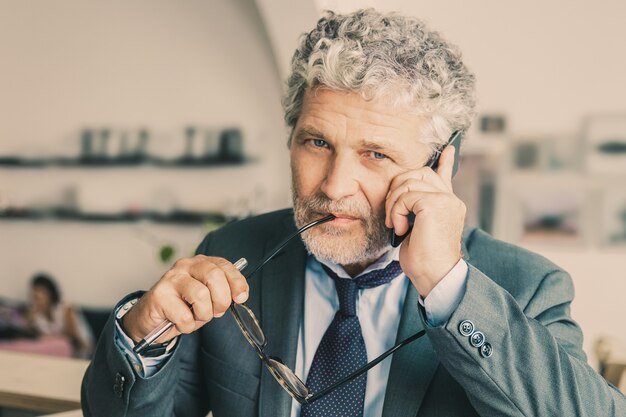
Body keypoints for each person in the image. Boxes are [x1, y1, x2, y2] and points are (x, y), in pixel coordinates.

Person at [81, 9, 626, 417]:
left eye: (376, 154)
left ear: (440, 166)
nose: (335, 186)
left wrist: (448, 287)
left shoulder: (526, 285)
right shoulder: (232, 249)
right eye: (316, 143)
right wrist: (142, 331)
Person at [27, 273, 94, 358]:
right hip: (55, 352)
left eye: (39, 295)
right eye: (34, 297)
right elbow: (33, 335)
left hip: (79, 350)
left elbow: (72, 338)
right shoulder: (37, 315)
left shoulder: (66, 308)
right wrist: (30, 317)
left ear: (50, 293)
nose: (36, 300)